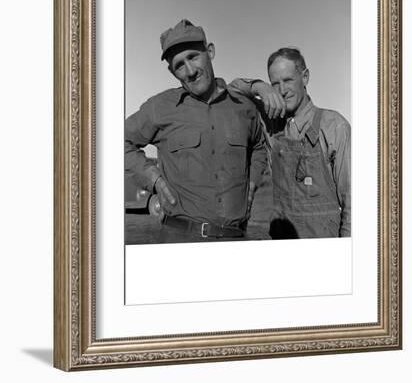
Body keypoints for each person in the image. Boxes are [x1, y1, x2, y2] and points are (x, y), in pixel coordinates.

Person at [125, 19, 267, 243]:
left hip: (236, 239)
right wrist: (155, 181)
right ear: (173, 72)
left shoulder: (243, 107)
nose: (190, 71)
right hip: (179, 239)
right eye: (179, 65)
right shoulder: (159, 107)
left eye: (193, 57)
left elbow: (259, 145)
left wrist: (252, 183)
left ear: (210, 51)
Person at [230, 47, 351, 239]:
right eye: (275, 84)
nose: (282, 91)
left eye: (288, 80)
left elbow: (352, 202)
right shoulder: (271, 123)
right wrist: (260, 87)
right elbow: (233, 91)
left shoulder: (334, 125)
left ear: (305, 78)